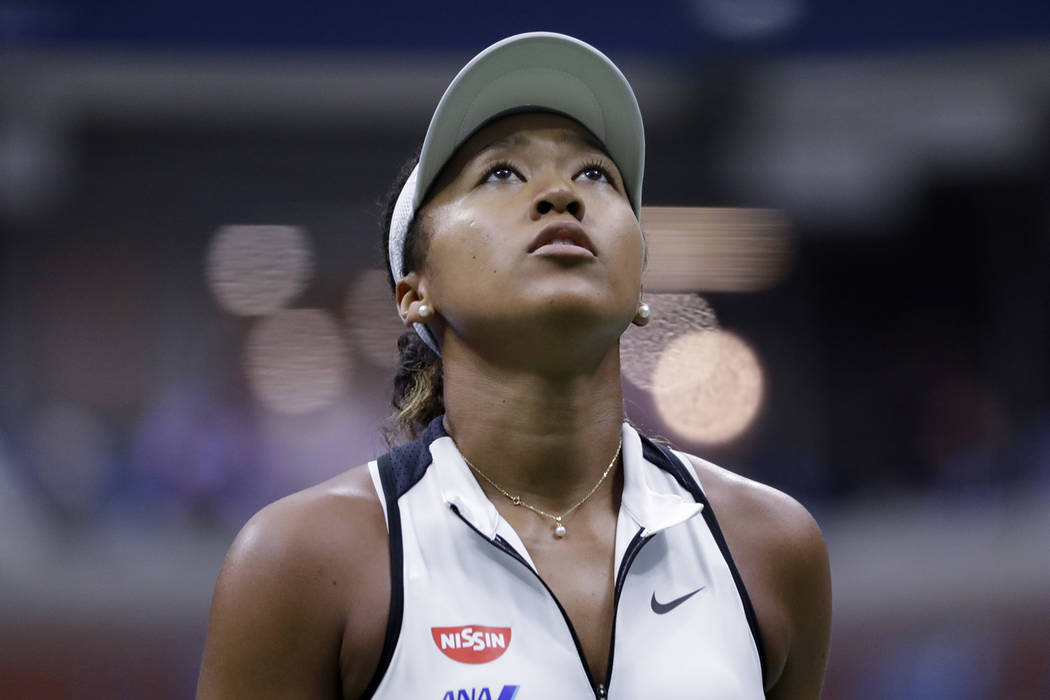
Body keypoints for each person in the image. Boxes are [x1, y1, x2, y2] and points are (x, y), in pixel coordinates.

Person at [196, 32, 830, 700]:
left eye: (596, 174)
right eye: (500, 172)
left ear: (639, 283)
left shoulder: (771, 545)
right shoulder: (302, 560)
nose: (562, 193)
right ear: (415, 290)